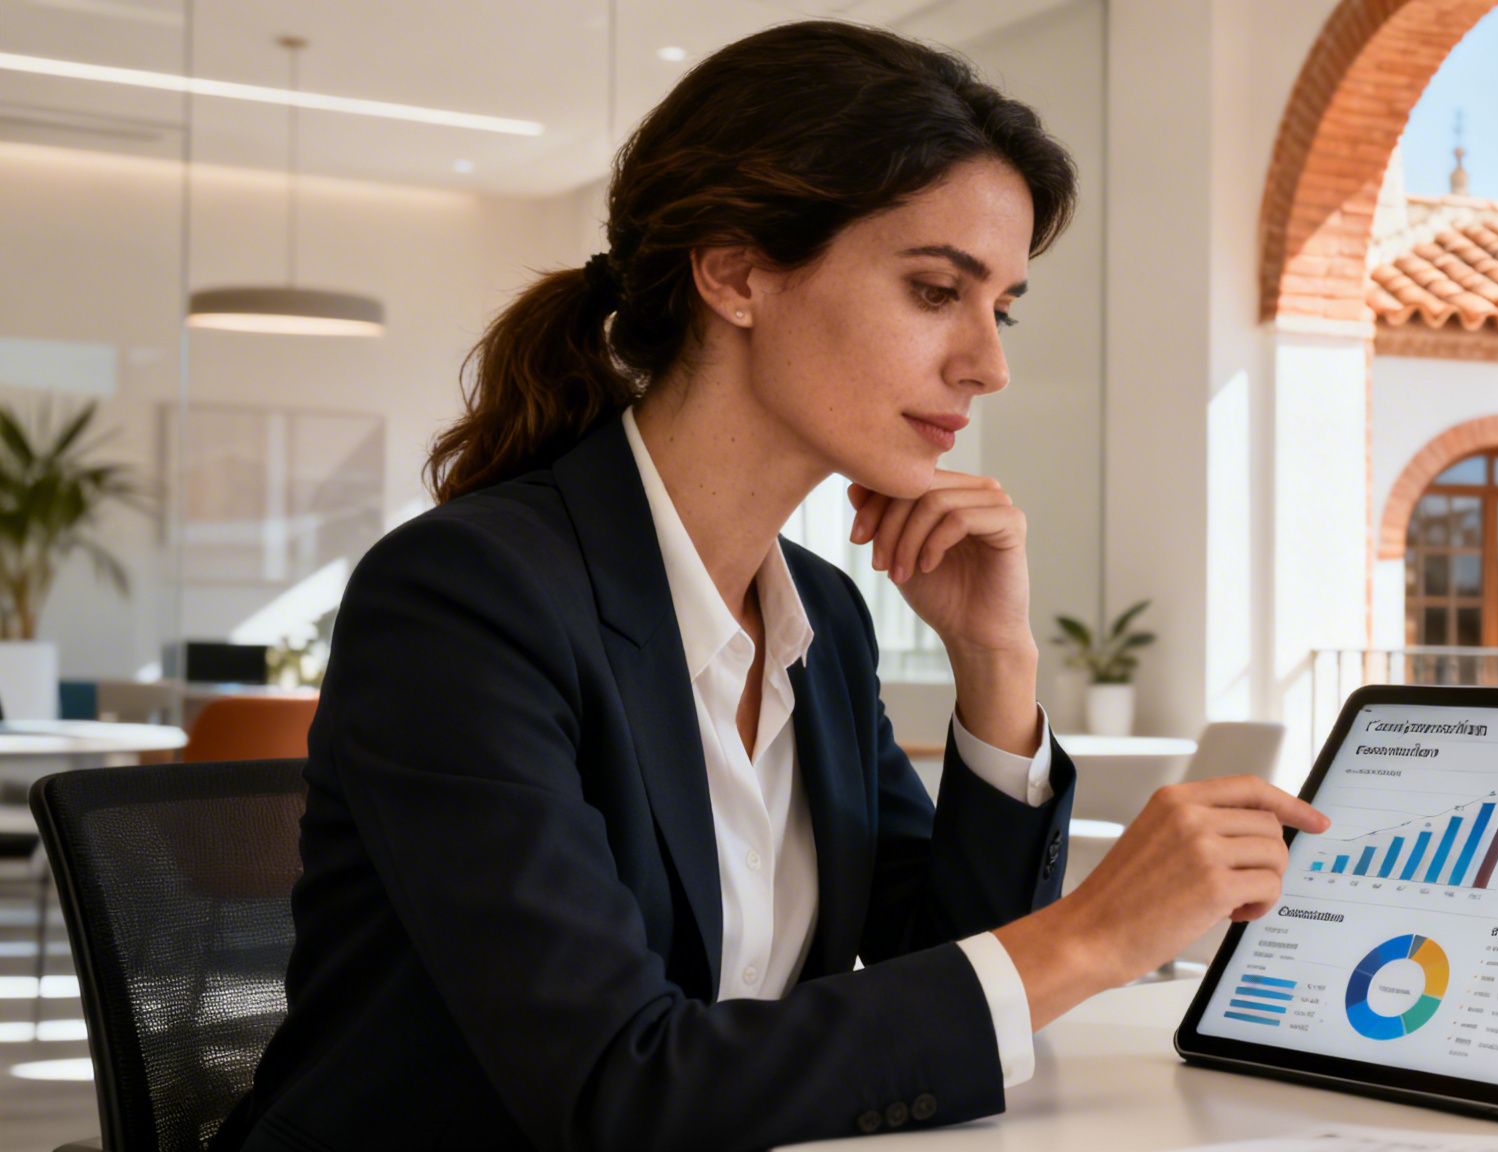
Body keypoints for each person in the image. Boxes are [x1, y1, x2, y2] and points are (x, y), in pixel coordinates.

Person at [212, 20, 1325, 1152]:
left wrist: (996, 664)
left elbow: (945, 980)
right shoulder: (465, 598)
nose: (987, 365)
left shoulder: (820, 619)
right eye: (935, 290)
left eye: (1000, 308)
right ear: (736, 273)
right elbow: (616, 1087)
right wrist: (1096, 934)